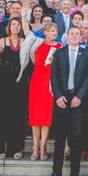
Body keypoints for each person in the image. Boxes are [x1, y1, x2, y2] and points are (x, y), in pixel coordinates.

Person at [43, 26, 88, 176]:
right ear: (67, 36)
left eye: (77, 34)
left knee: (76, 138)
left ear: (81, 37)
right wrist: (58, 95)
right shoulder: (59, 52)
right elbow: (54, 75)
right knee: (59, 138)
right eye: (71, 33)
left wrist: (80, 96)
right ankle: (56, 173)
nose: (74, 36)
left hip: (78, 100)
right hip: (62, 99)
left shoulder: (87, 54)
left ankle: (75, 174)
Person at [0, 11, 29, 159]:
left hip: (19, 81)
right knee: (1, 114)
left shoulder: (24, 41)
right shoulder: (2, 41)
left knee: (17, 115)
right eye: (13, 24)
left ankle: (16, 147)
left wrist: (23, 17)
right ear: (9, 26)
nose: (16, 27)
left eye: (18, 25)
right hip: (4, 81)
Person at [28, 22, 63, 161]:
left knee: (45, 117)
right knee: (35, 117)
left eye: (56, 31)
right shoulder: (37, 46)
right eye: (52, 31)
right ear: (45, 32)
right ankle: (35, 147)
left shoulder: (60, 47)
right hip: (37, 83)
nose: (54, 33)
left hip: (50, 84)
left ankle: (43, 147)